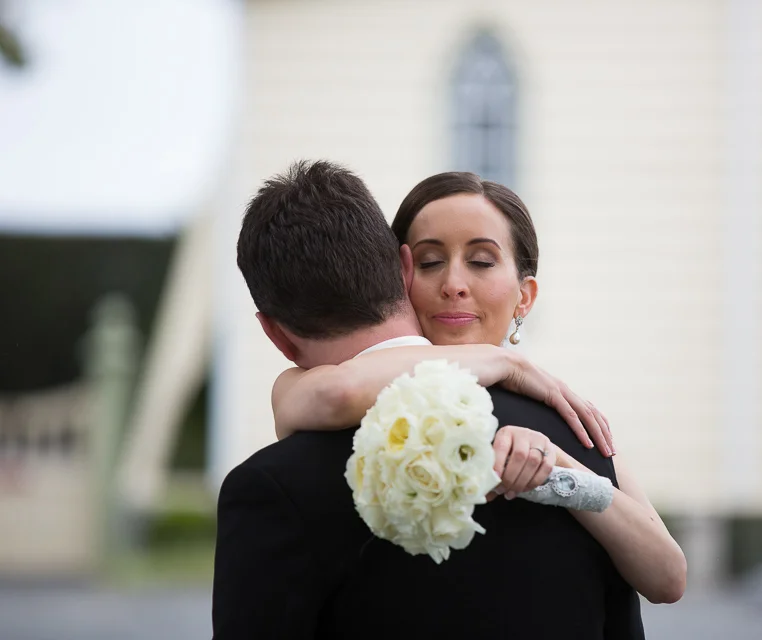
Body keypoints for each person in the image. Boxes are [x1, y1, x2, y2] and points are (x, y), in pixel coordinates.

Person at [211, 161, 679, 639]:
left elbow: (669, 576)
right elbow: (328, 392)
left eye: (481, 261)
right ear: (402, 271)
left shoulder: (572, 423)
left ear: (525, 296)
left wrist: (557, 467)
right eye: (432, 261)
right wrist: (506, 363)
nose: (454, 284)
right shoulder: (321, 394)